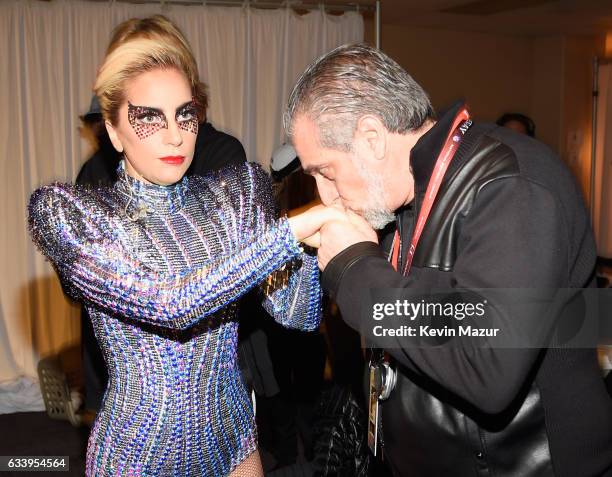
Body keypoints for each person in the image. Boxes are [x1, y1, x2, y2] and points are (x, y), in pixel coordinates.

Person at [284, 44, 612, 476]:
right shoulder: (396, 198)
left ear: (371, 138)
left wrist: (356, 267)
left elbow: (486, 361)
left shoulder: (513, 182)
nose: (326, 194)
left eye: (326, 172)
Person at [27, 29, 343, 477]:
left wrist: (319, 222)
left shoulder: (235, 194)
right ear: (114, 131)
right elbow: (173, 305)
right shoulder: (75, 215)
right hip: (138, 455)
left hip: (232, 441)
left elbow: (297, 315)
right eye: (149, 118)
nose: (175, 135)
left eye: (185, 114)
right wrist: (288, 234)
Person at [75, 16, 249, 414]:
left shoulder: (222, 160)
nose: (172, 134)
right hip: (128, 400)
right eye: (148, 115)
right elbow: (160, 300)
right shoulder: (91, 181)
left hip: (216, 392)